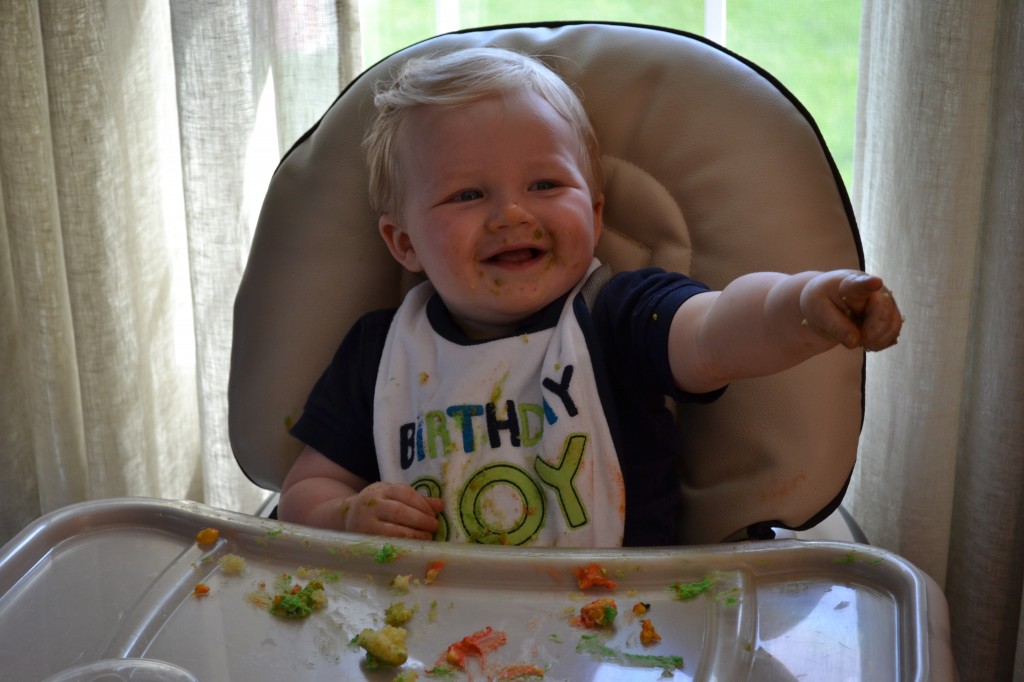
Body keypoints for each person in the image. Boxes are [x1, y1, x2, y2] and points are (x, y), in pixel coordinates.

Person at [278, 47, 903, 547]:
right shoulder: (380, 354)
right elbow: (307, 489)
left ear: (595, 213)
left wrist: (800, 305)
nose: (511, 212)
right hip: (421, 627)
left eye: (546, 183)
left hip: (620, 631)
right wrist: (345, 519)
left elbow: (718, 328)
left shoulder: (619, 314)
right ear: (404, 242)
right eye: (468, 195)